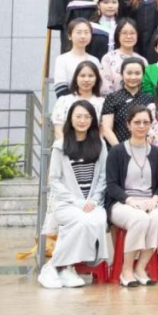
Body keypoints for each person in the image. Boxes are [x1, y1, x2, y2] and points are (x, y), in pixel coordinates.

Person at [39, 100, 110, 289]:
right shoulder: (60, 146)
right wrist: (78, 202)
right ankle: (55, 266)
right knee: (82, 222)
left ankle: (62, 268)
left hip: (93, 203)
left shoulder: (100, 145)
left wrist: (94, 200)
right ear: (70, 119)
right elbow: (54, 180)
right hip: (66, 204)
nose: (82, 120)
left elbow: (103, 177)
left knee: (98, 220)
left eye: (87, 117)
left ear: (93, 120)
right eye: (78, 116)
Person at [106, 104, 158, 287]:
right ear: (128, 124)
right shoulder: (117, 151)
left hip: (149, 201)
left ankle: (141, 267)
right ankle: (126, 270)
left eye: (146, 122)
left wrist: (155, 199)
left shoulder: (157, 153)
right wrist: (131, 201)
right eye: (137, 122)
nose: (142, 126)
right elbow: (111, 185)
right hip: (122, 203)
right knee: (140, 219)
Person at [100, 57, 154, 146]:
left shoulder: (149, 99)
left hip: (144, 149)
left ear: (143, 75)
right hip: (118, 148)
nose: (133, 77)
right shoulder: (112, 98)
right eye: (129, 73)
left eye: (137, 73)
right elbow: (107, 129)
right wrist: (120, 149)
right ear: (122, 74)